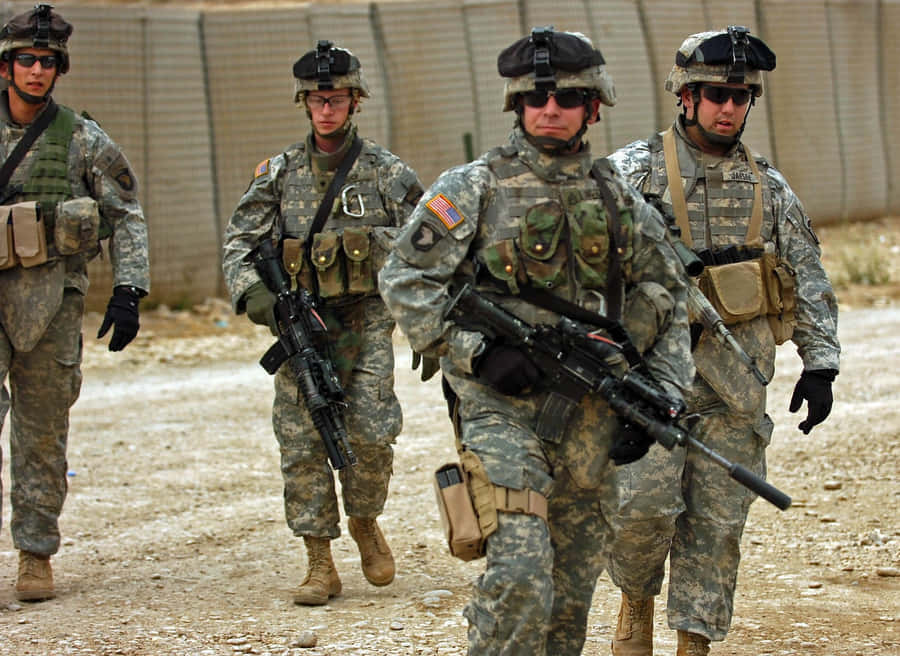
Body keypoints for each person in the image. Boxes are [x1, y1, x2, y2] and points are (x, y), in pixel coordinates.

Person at [378, 27, 693, 655]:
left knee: (568, 598)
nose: (550, 108)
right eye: (535, 97)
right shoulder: (472, 188)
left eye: (567, 98)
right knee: (521, 574)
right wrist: (479, 353)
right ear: (517, 106)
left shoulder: (618, 197)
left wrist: (659, 395)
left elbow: (669, 294)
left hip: (591, 417)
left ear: (593, 107)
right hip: (500, 412)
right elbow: (405, 280)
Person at [606, 26, 841, 656]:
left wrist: (820, 364)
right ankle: (635, 604)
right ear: (685, 97)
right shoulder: (630, 174)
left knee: (717, 524)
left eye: (740, 96)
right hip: (651, 383)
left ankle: (696, 640)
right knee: (641, 513)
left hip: (737, 388)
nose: (729, 106)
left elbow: (806, 277)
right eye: (715, 94)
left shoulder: (770, 187)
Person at [221, 40, 423, 606]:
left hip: (367, 321)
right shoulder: (278, 174)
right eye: (316, 99)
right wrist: (257, 299)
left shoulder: (387, 173)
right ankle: (318, 560)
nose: (326, 109)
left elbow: (432, 247)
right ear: (304, 103)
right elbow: (240, 242)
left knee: (372, 435)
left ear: (354, 101)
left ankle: (365, 519)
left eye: (336, 98)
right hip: (300, 326)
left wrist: (429, 315)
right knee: (302, 441)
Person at [0, 5, 150, 602]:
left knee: (41, 434)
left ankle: (36, 554)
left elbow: (126, 216)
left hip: (51, 305)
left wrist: (128, 289)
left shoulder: (82, 139)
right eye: (26, 60)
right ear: (6, 66)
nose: (37, 72)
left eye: (47, 62)